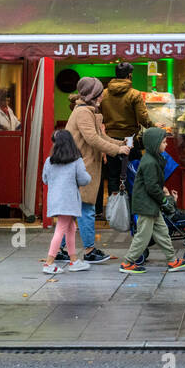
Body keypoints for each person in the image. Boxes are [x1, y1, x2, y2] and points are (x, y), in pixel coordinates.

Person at [64, 77, 128, 264]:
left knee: (72, 211)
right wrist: (117, 150)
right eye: (100, 93)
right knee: (87, 208)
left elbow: (101, 136)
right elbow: (93, 139)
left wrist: (120, 143)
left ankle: (61, 249)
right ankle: (90, 250)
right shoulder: (83, 112)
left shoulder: (86, 110)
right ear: (93, 94)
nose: (102, 96)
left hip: (81, 165)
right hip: (83, 167)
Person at [120, 127, 185, 274]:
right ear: (155, 144)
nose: (166, 145)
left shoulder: (154, 159)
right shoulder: (149, 163)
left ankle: (172, 260)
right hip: (146, 206)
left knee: (162, 232)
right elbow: (152, 187)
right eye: (164, 142)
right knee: (143, 236)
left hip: (151, 205)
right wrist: (164, 201)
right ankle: (127, 262)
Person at [99, 62, 153, 209]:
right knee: (133, 173)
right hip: (129, 139)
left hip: (110, 138)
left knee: (113, 175)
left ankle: (113, 210)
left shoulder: (104, 94)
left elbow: (99, 115)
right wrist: (155, 127)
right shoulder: (134, 94)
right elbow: (143, 118)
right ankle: (132, 208)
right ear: (130, 75)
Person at [42, 131, 92, 275]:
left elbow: (45, 179)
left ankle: (74, 260)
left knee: (71, 227)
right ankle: (49, 263)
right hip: (68, 200)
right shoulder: (76, 161)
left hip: (55, 200)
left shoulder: (49, 161)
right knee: (61, 229)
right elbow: (84, 179)